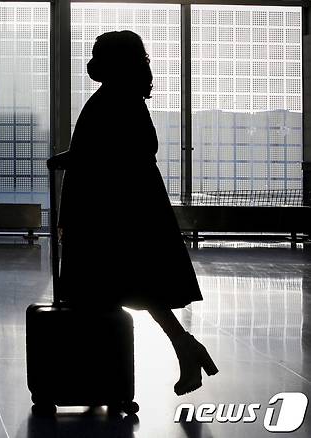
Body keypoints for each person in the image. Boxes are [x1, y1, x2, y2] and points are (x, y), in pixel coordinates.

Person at [47, 30, 218, 396]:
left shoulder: (112, 99)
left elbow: (106, 154)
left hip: (111, 216)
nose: (92, 62)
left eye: (97, 54)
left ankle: (106, 376)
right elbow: (122, 150)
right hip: (130, 210)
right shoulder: (126, 98)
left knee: (115, 288)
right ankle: (180, 350)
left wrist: (68, 159)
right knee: (138, 288)